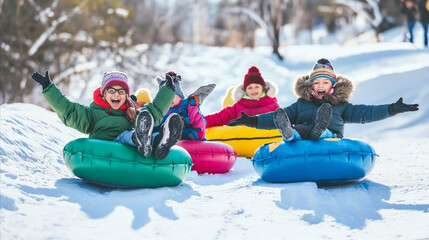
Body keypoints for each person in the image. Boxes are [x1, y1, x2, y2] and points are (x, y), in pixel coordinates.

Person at [228, 58, 419, 142]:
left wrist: (391, 109)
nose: (320, 86)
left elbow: (365, 113)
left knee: (325, 132)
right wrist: (252, 120)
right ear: (310, 85)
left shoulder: (341, 106)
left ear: (332, 86)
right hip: (304, 138)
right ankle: (290, 135)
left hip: (331, 138)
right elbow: (278, 117)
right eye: (316, 82)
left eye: (325, 82)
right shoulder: (301, 104)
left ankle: (320, 131)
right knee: (297, 128)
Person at [31, 70, 184, 160]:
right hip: (104, 150)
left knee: (147, 119)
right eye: (112, 91)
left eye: (121, 91)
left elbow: (154, 110)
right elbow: (69, 110)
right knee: (126, 135)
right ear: (104, 94)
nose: (116, 94)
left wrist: (169, 89)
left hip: (131, 152)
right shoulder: (92, 114)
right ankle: (140, 138)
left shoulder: (132, 113)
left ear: (126, 96)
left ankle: (160, 139)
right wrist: (49, 88)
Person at [204, 65, 280, 128]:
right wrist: (200, 122)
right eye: (249, 88)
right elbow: (219, 117)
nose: (253, 90)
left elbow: (283, 119)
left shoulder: (272, 105)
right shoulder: (238, 107)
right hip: (243, 143)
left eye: (257, 87)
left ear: (263, 88)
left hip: (267, 142)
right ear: (245, 91)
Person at [154, 71, 215, 141]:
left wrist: (192, 109)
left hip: (189, 139)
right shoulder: (161, 110)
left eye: (171, 95)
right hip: (164, 138)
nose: (168, 99)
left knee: (196, 132)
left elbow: (200, 130)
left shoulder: (188, 106)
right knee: (155, 134)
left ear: (180, 96)